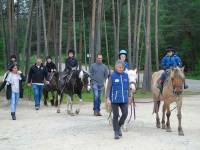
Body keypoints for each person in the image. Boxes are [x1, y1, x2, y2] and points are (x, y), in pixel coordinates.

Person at [106, 60, 132, 139]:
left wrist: (129, 96)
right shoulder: (112, 76)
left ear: (124, 68)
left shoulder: (126, 76)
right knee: (116, 115)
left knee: (125, 113)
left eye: (122, 67)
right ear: (116, 67)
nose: (120, 69)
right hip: (114, 99)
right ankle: (116, 132)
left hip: (124, 99)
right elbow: (108, 88)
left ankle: (119, 126)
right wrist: (108, 98)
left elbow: (128, 87)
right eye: (119, 67)